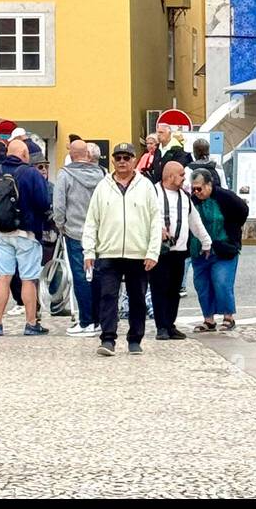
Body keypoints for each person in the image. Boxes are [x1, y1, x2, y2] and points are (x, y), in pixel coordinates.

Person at [82, 142, 161, 356]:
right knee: (107, 296)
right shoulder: (102, 187)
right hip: (109, 252)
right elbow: (92, 221)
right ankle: (108, 339)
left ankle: (135, 339)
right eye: (118, 158)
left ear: (134, 160)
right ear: (113, 160)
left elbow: (156, 221)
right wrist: (89, 251)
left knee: (137, 298)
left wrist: (153, 252)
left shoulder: (146, 187)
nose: (123, 161)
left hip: (138, 253)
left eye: (127, 157)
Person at [0, 137, 51, 335]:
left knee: (3, 278)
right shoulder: (31, 173)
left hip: (0, 232)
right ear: (24, 154)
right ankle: (31, 323)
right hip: (26, 233)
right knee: (28, 279)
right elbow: (43, 202)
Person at [150, 161, 212, 339]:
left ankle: (170, 324)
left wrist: (206, 242)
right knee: (159, 289)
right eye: (181, 175)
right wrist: (157, 230)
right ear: (170, 176)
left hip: (179, 250)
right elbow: (144, 217)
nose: (185, 179)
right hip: (159, 251)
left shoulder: (184, 197)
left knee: (174, 289)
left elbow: (195, 221)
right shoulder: (153, 193)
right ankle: (161, 326)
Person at [52, 139, 104, 336]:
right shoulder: (102, 174)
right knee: (97, 276)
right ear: (88, 155)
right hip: (98, 234)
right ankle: (98, 319)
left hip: (75, 233)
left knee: (81, 277)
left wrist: (61, 225)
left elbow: (59, 206)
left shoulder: (65, 175)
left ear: (71, 155)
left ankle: (85, 322)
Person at [190, 168, 249, 333]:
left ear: (209, 185)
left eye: (199, 188)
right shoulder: (192, 200)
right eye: (193, 188)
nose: (196, 192)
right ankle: (208, 320)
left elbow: (243, 211)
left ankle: (228, 317)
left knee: (222, 282)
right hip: (200, 249)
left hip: (223, 248)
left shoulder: (225, 197)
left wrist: (233, 229)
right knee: (202, 285)